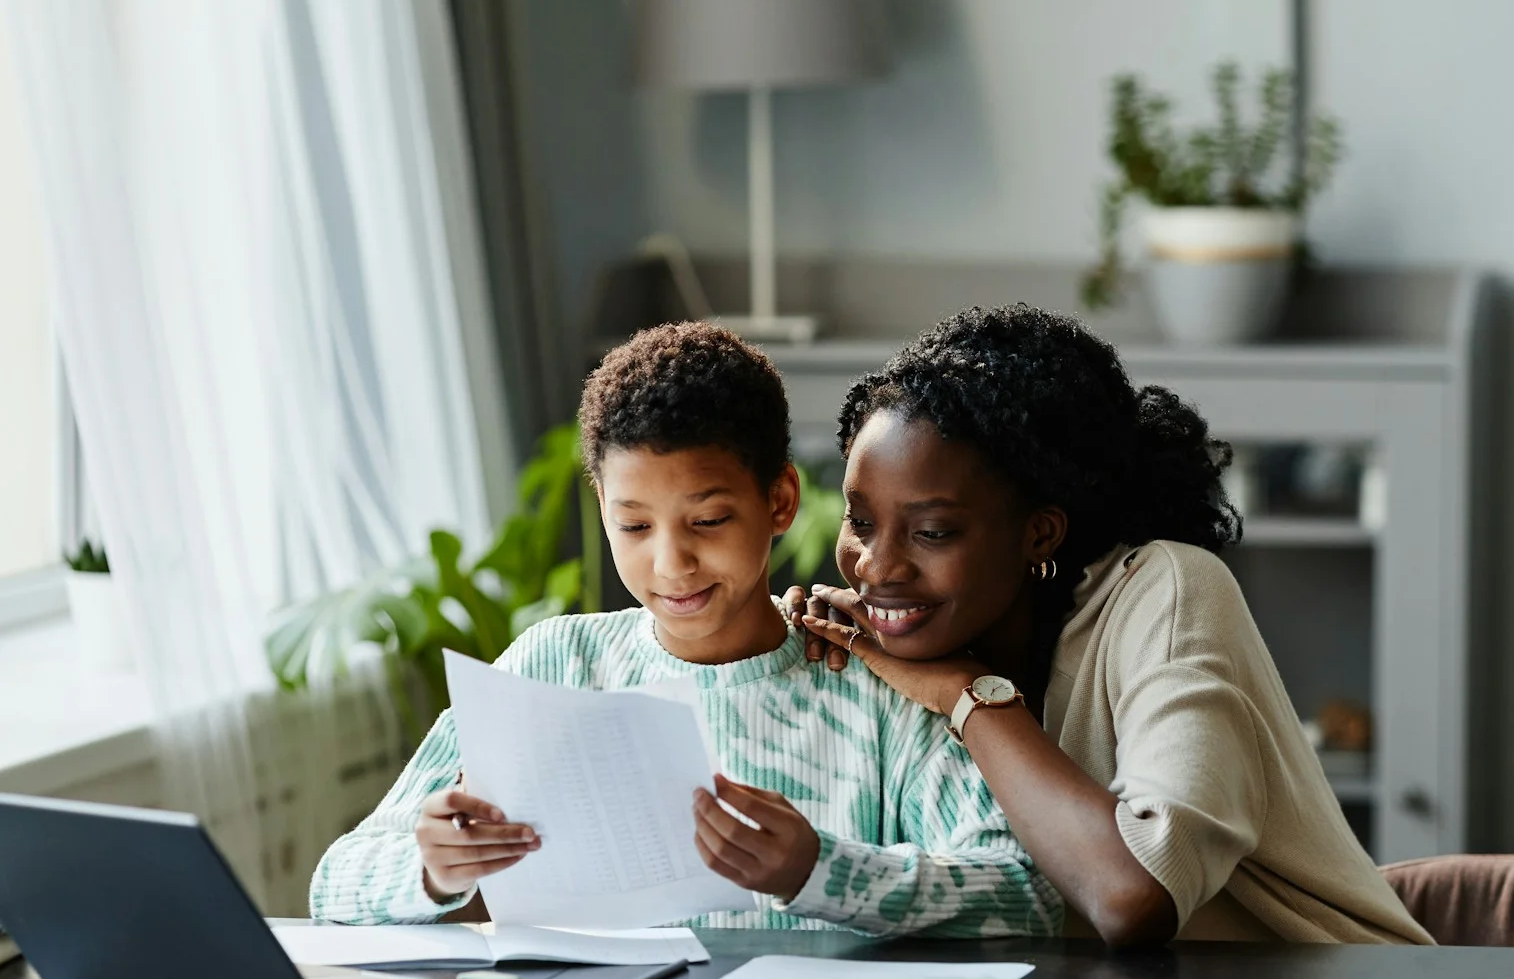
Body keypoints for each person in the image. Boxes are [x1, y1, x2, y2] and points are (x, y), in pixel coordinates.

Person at [309, 322, 1061, 940]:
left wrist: (819, 871)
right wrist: (433, 867)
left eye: (708, 521)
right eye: (633, 525)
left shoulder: (870, 681)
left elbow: (1025, 898)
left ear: (780, 500)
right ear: (602, 503)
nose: (672, 564)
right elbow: (333, 885)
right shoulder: (555, 665)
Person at [790, 303, 1433, 952]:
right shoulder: (921, 643)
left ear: (1038, 531)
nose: (874, 565)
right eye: (861, 522)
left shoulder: (1168, 592)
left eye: (931, 532)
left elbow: (1133, 895)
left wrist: (968, 695)